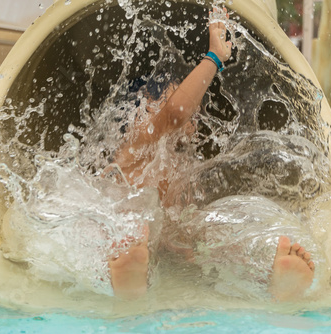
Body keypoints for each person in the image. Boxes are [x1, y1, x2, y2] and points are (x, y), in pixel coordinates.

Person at [108, 8, 315, 301]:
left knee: (211, 241)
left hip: (161, 247)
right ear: (146, 104)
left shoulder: (181, 162)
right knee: (136, 242)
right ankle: (129, 281)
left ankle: (276, 284)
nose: (197, 109)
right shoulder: (134, 146)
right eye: (176, 91)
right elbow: (175, 113)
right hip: (131, 236)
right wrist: (215, 56)